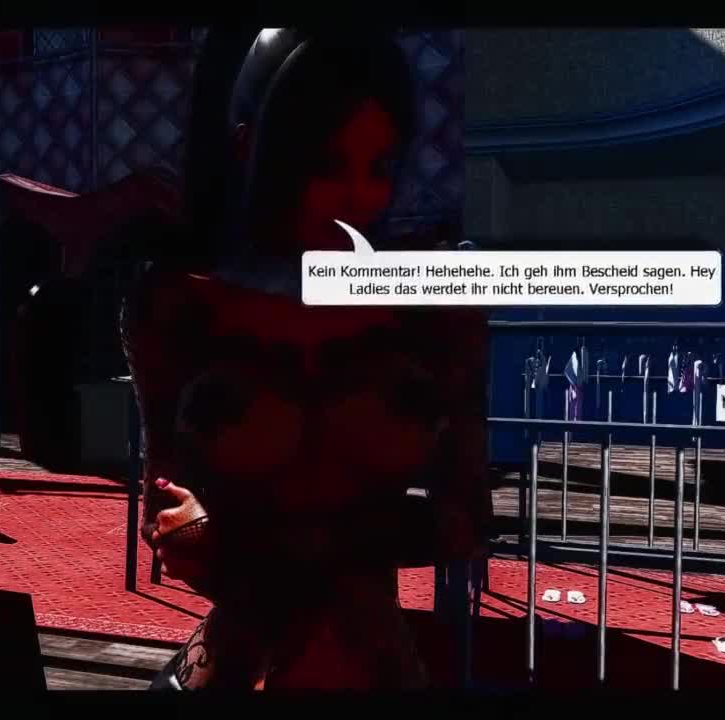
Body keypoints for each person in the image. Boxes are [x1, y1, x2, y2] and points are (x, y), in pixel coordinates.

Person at [122, 29, 491, 689]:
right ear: (249, 150)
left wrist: (283, 546)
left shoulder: (432, 307)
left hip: (369, 659)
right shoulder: (178, 305)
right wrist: (192, 534)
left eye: (378, 167)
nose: (358, 198)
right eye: (326, 167)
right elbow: (165, 510)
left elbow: (466, 516)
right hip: (236, 662)